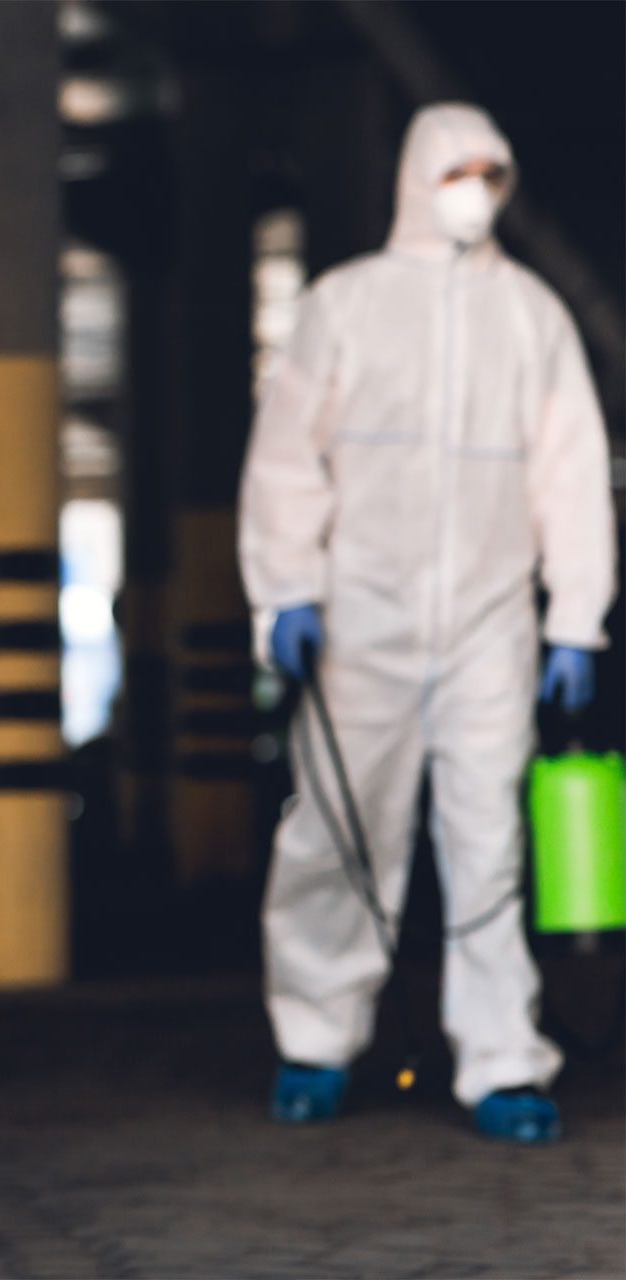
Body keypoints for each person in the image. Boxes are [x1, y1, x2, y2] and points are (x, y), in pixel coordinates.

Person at [239, 103, 616, 1144]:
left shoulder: (531, 315)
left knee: (489, 843)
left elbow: (572, 473)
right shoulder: (344, 306)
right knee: (339, 831)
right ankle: (316, 1040)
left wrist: (575, 617)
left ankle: (502, 1058)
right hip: (362, 619)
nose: (477, 189)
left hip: (491, 624)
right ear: (418, 175)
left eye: (494, 172)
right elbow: (284, 460)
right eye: (461, 169)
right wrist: (286, 592)